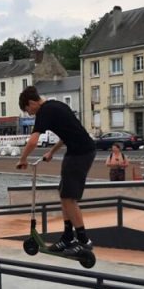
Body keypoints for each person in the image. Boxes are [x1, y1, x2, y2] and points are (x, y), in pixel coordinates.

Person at [16, 86, 96, 256]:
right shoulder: (56, 105)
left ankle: (83, 240)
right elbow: (67, 134)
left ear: (31, 103)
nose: (30, 114)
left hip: (81, 153)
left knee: (69, 198)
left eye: (28, 110)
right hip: (76, 151)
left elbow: (33, 141)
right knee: (63, 193)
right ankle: (67, 237)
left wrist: (22, 159)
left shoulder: (44, 111)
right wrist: (52, 152)